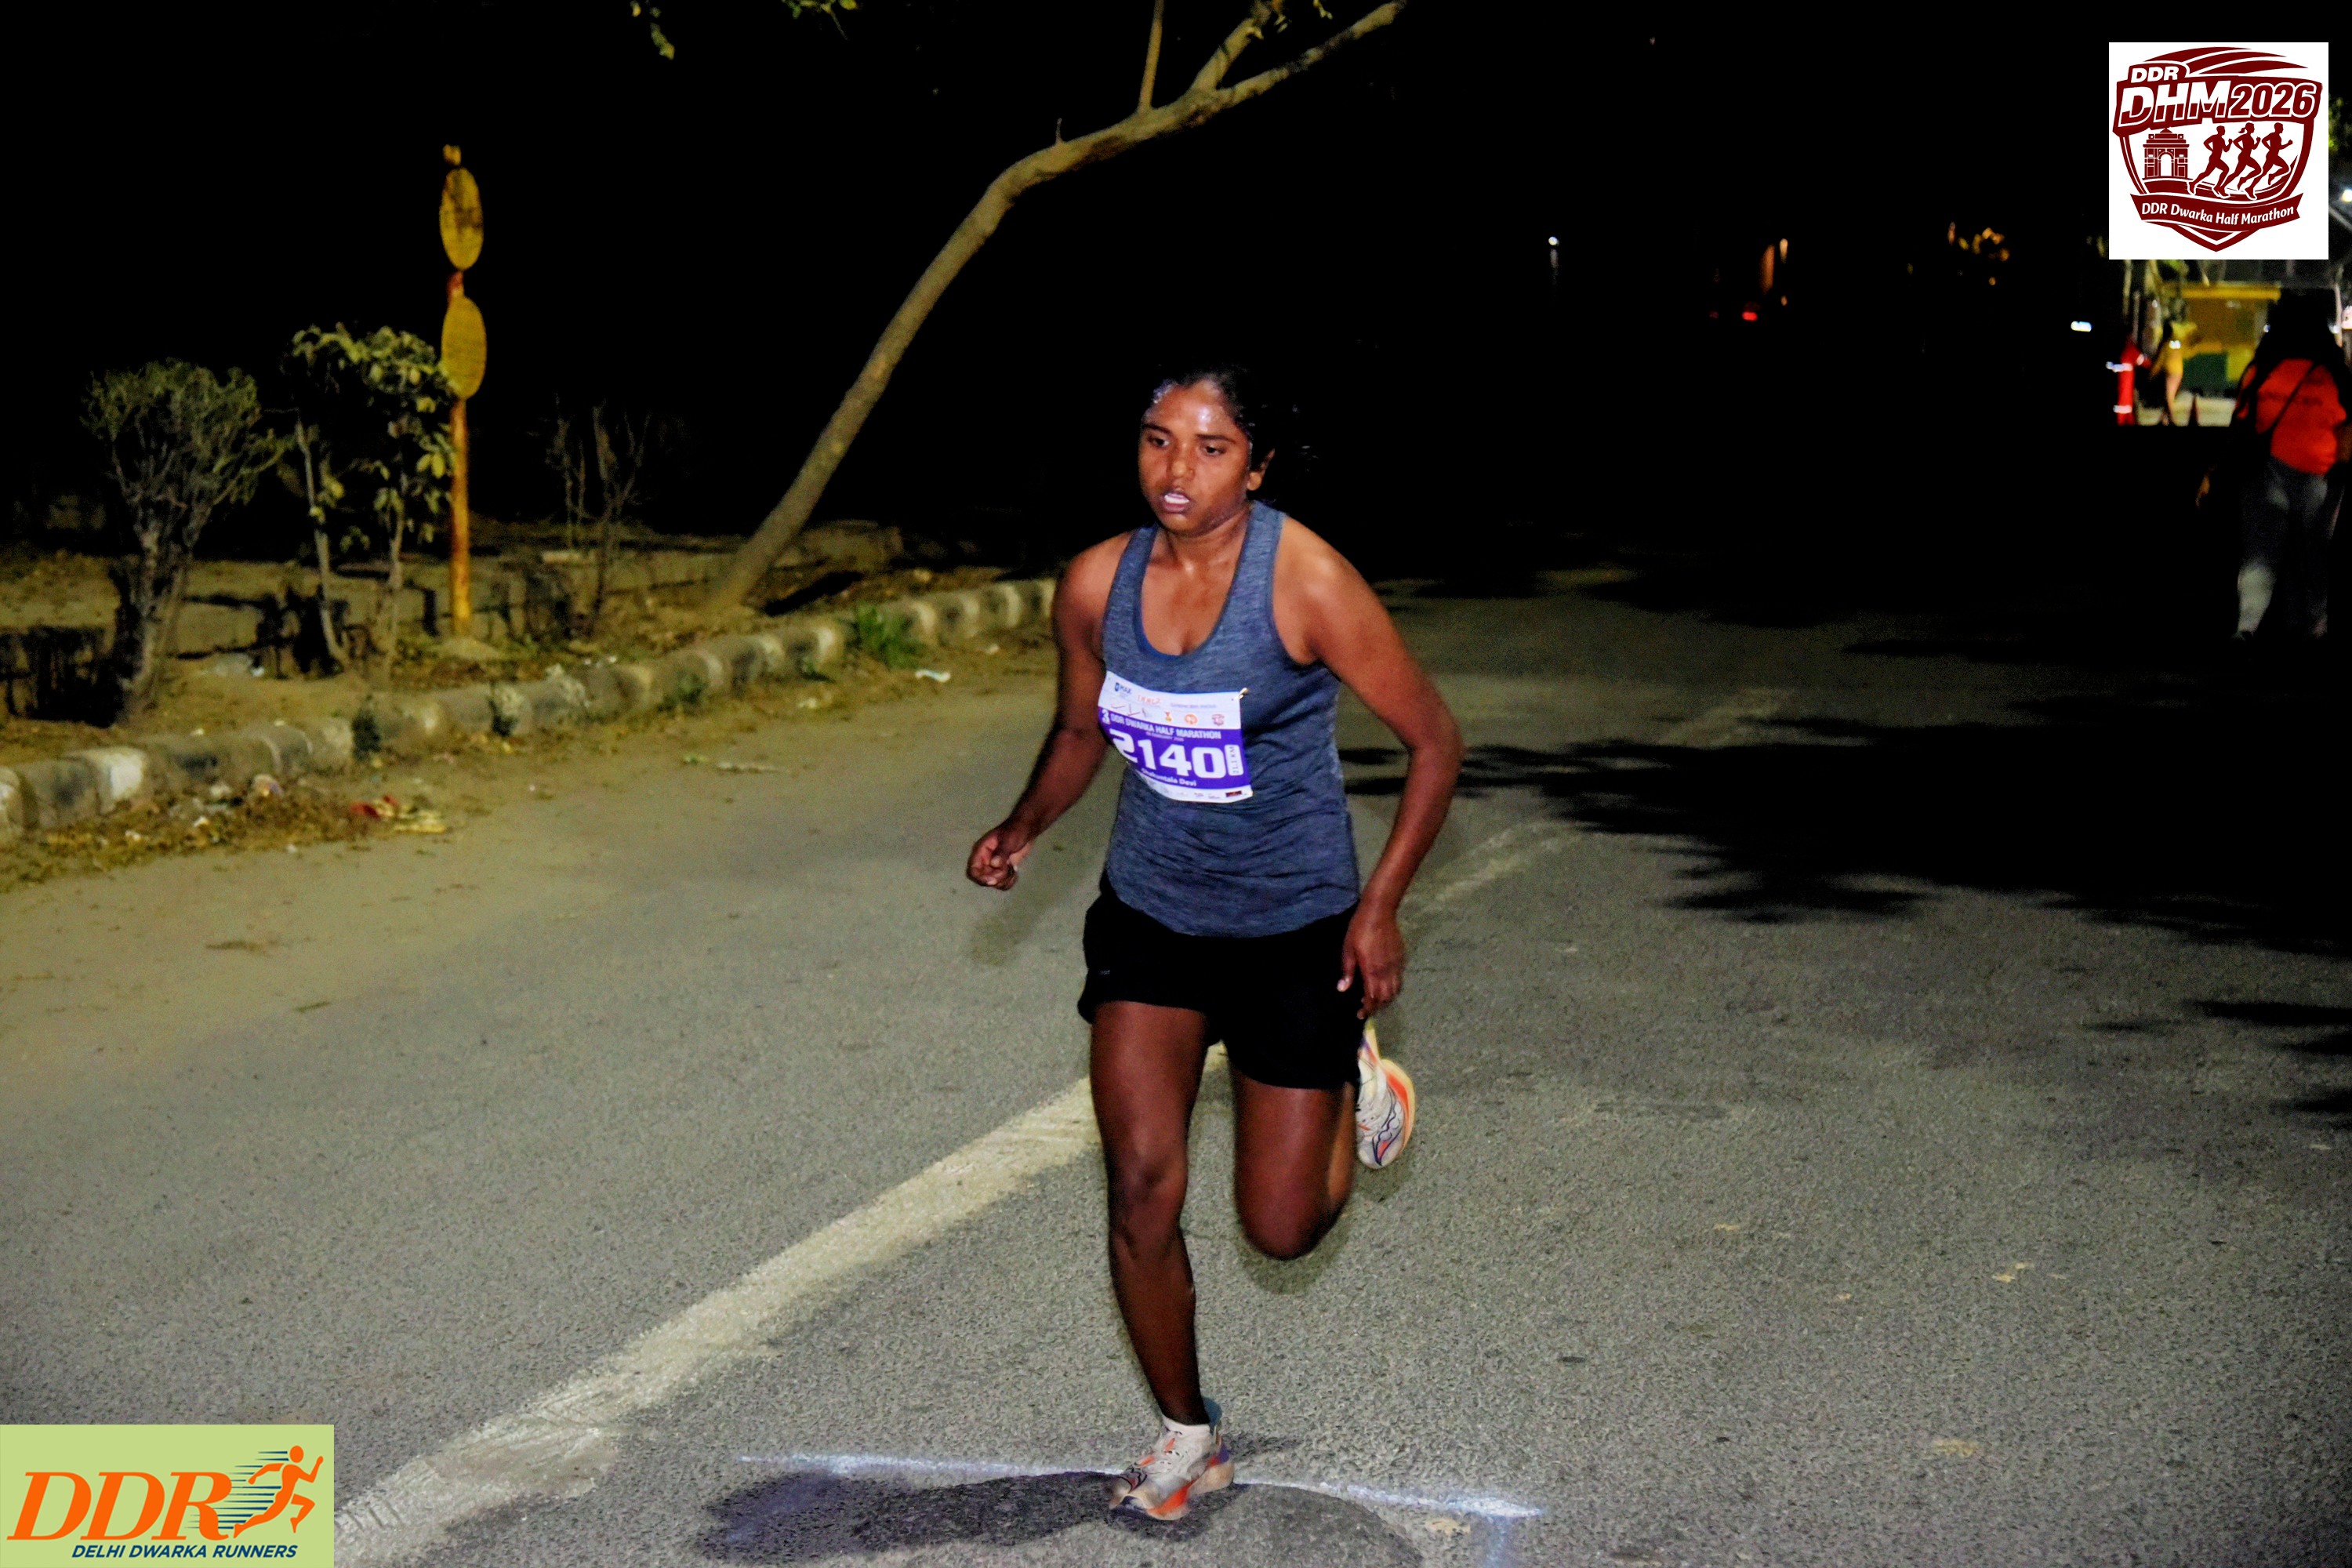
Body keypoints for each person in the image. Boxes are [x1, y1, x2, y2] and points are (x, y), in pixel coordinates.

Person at [966, 364, 1462, 1521]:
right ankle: (1188, 1432)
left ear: (1259, 465)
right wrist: (1024, 825)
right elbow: (1081, 725)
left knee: (1281, 1231)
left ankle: (1354, 1076)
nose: (1175, 470)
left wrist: (1379, 907)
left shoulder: (1305, 580)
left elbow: (1435, 743)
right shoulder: (1097, 582)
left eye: (1209, 447)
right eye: (1156, 440)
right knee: (1141, 1184)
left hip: (1295, 927)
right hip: (1152, 917)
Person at [2229, 294, 2352, 642]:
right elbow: (2348, 428)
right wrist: (2341, 469)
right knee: (2313, 555)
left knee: (2260, 554)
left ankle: (2247, 627)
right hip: (2321, 479)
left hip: (2265, 475)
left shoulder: (2261, 369)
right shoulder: (2335, 373)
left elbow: (2240, 424)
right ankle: (2313, 628)